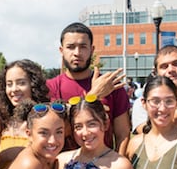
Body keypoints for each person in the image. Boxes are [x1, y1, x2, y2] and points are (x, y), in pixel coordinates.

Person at [46, 22, 130, 154]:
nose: (77, 53)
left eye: (83, 47)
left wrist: (118, 165)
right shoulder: (50, 88)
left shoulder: (111, 86)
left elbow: (123, 134)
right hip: (63, 167)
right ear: (61, 51)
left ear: (92, 49)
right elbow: (61, 131)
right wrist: (93, 96)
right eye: (71, 47)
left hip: (104, 166)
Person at [0, 59, 50, 169]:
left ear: (33, 86)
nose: (14, 89)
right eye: (9, 84)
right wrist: (4, 157)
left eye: (21, 83)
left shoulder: (45, 120)